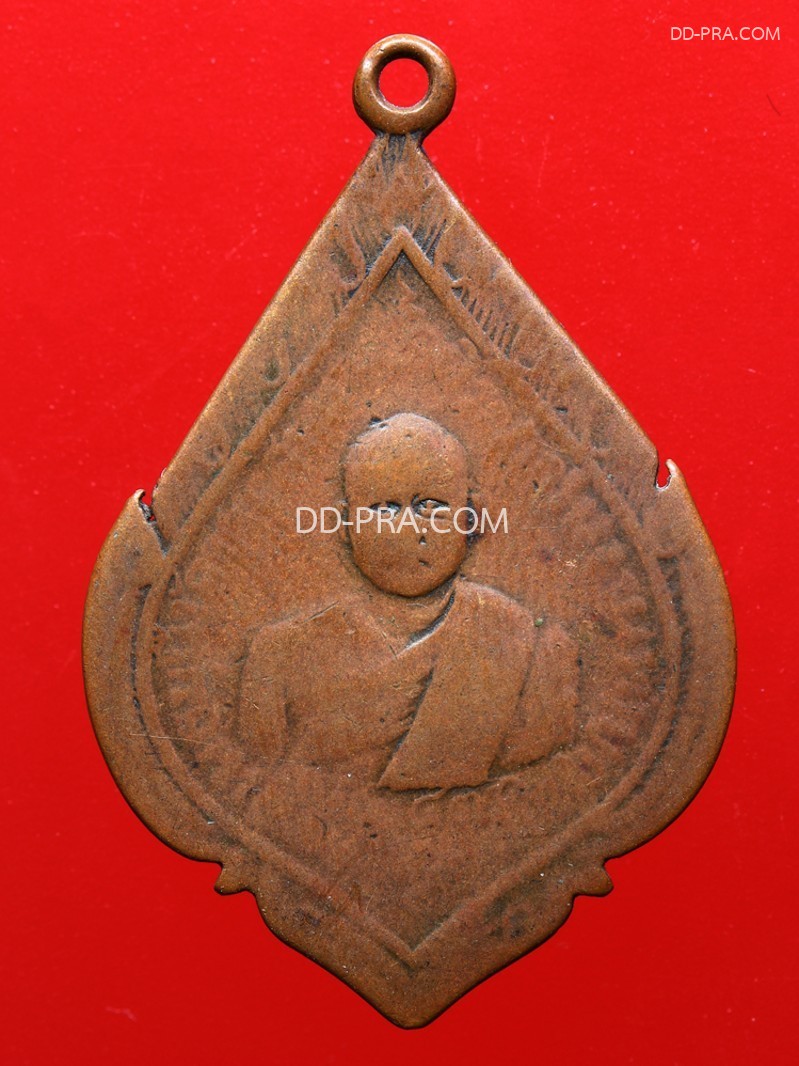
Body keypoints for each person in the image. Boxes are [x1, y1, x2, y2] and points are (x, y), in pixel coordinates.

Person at [238, 413, 577, 791]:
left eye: (430, 506)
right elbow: (257, 789)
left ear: (471, 518)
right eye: (383, 509)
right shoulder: (280, 658)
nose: (408, 528)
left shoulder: (532, 648)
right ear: (345, 524)